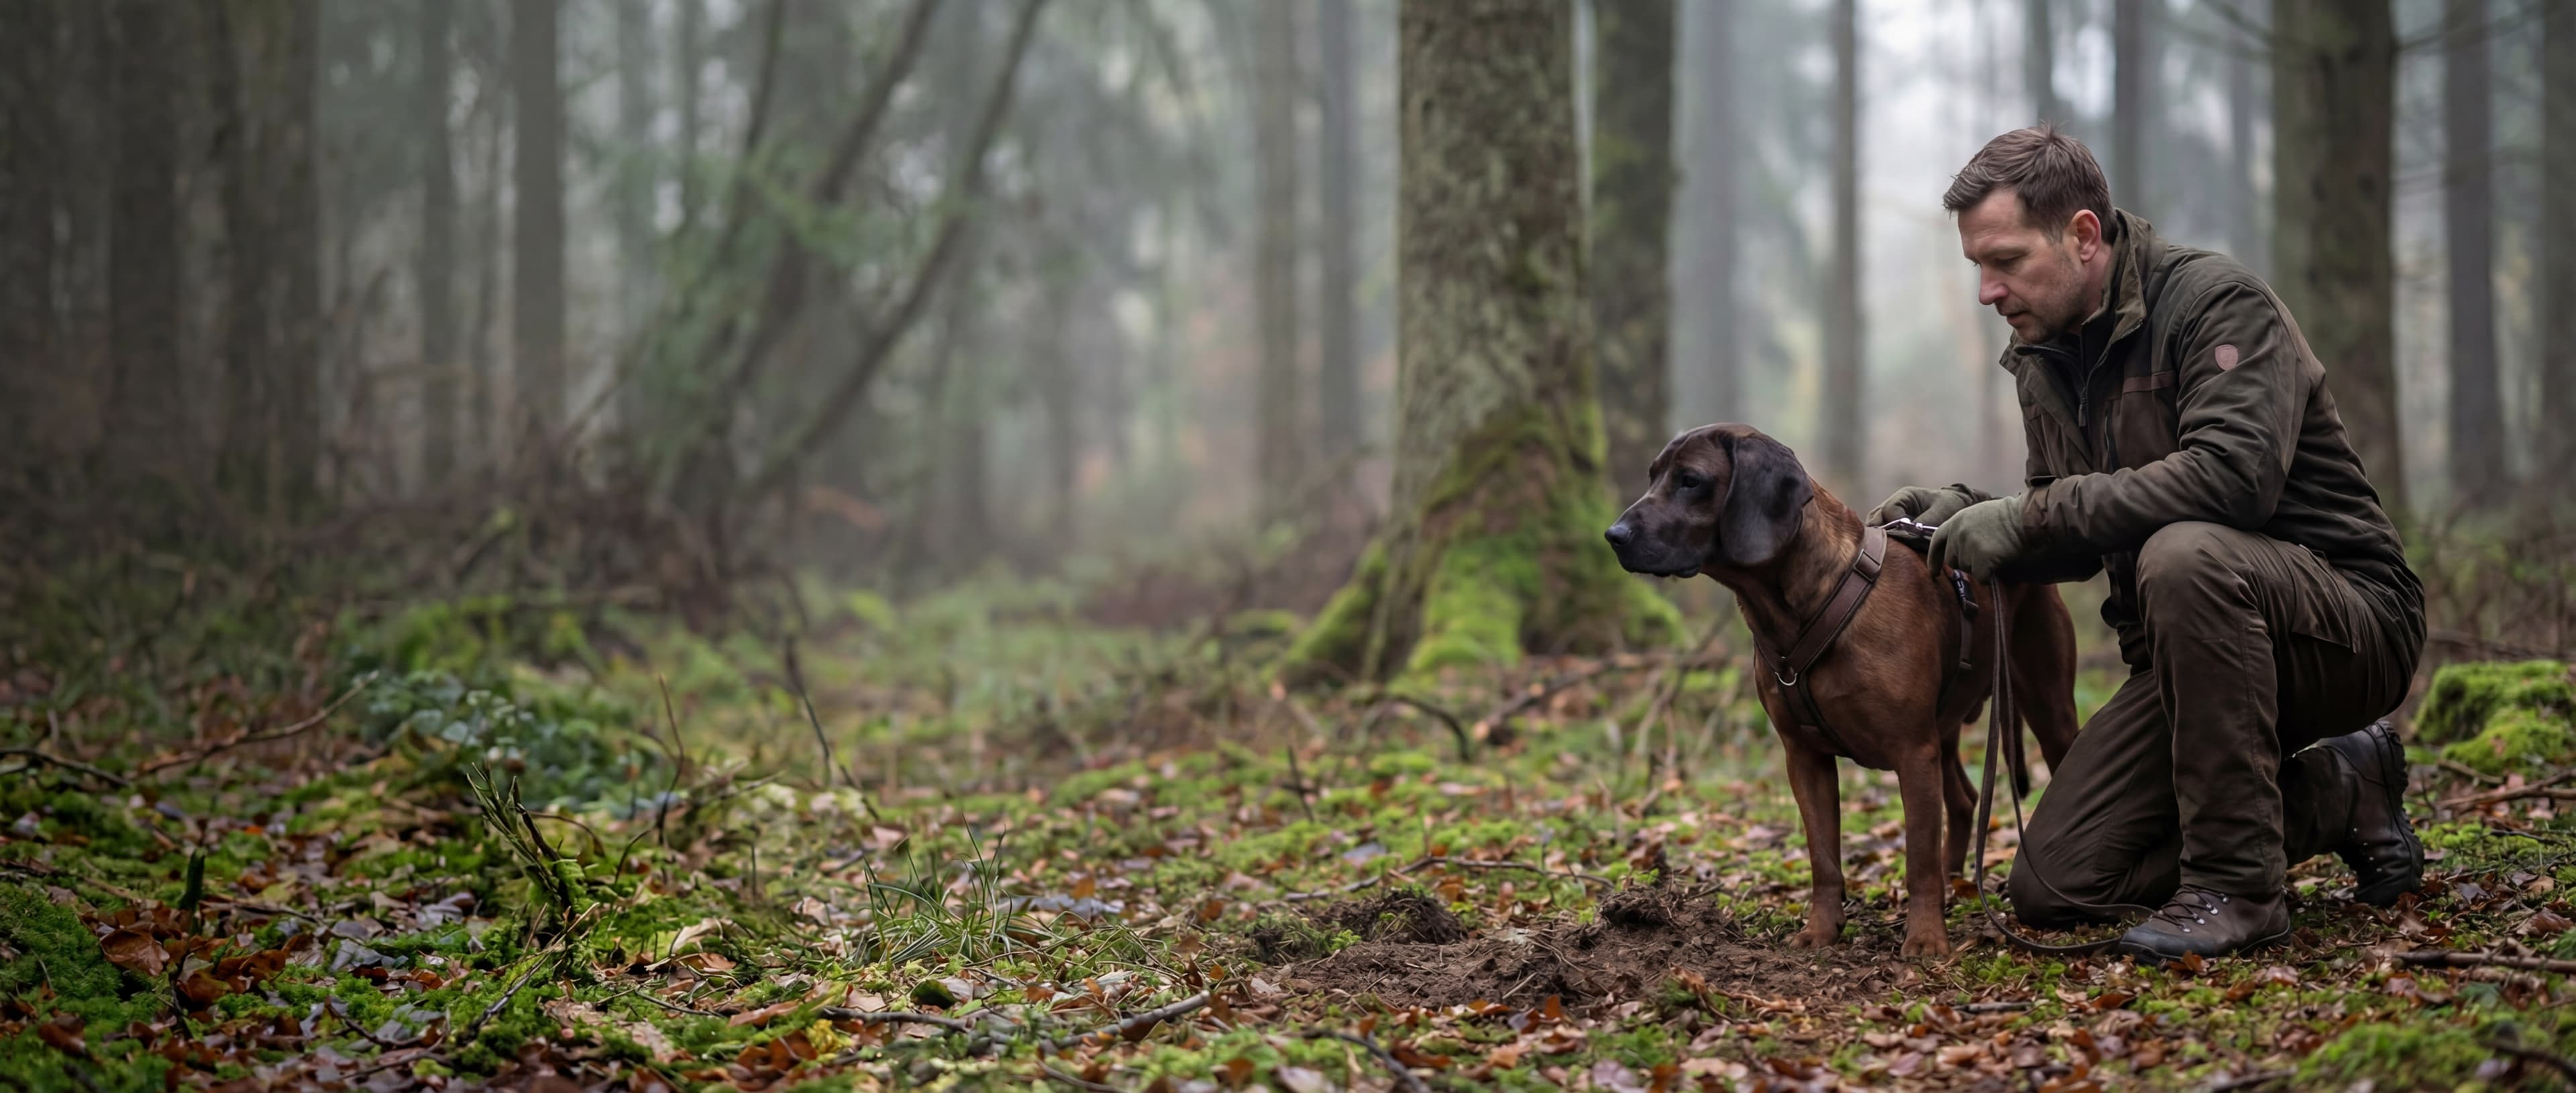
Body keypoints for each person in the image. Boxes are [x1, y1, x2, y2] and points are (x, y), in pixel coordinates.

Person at [1873, 125, 2426, 962]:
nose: (1988, 290)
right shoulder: (2043, 352)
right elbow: (2070, 530)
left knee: (2184, 556)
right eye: (1977, 268)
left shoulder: (2215, 304)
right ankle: (2343, 790)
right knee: (2056, 885)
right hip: (2189, 655)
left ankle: (2240, 890)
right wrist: (1969, 512)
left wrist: (2027, 518)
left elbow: (2232, 481)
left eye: (2007, 261)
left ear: (2084, 235)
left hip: (2346, 625)